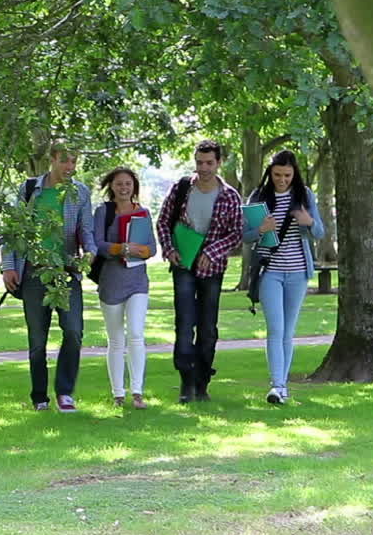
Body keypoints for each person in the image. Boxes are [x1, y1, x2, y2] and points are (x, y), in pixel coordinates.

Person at [1, 143, 94, 413]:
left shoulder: (80, 192)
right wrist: (9, 266)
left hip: (66, 272)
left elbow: (86, 230)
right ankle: (39, 397)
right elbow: (14, 230)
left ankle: (65, 392)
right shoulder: (30, 189)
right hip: (33, 272)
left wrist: (90, 252)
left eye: (74, 162)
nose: (70, 167)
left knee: (74, 331)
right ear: (52, 159)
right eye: (65, 161)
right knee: (37, 341)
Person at [155, 140, 244, 403]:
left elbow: (236, 234)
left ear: (219, 163)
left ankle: (202, 381)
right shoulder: (182, 188)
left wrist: (211, 253)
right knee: (184, 325)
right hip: (183, 264)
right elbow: (163, 222)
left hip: (212, 268)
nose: (203, 168)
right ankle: (186, 381)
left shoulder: (229, 195)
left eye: (209, 163)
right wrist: (170, 250)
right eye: (199, 162)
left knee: (207, 328)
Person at [244, 150, 326, 405]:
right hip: (270, 272)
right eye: (277, 174)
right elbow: (243, 236)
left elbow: (320, 232)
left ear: (294, 174)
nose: (282, 180)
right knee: (275, 330)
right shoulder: (259, 197)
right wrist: (260, 230)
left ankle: (283, 386)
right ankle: (276, 385)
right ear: (270, 172)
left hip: (298, 272)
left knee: (287, 332)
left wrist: (308, 220)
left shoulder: (304, 195)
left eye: (287, 175)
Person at [91, 167, 155, 409]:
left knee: (136, 334)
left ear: (134, 186)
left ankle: (137, 392)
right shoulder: (103, 212)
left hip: (137, 281)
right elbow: (98, 243)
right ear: (112, 187)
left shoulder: (143, 213)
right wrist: (121, 248)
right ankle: (118, 393)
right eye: (119, 184)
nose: (123, 188)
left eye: (128, 183)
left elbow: (153, 247)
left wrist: (142, 250)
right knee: (116, 340)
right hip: (111, 281)